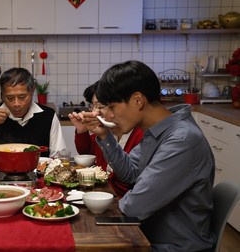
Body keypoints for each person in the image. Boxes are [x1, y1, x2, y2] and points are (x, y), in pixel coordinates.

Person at [80, 60, 215, 251]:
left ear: (137, 100)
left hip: (172, 246)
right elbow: (129, 173)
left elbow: (134, 207)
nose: (108, 116)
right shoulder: (157, 131)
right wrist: (104, 135)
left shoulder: (181, 140)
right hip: (147, 234)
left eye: (111, 107)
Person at [0, 67, 66, 157]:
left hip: (39, 175)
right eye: (10, 98)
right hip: (1, 174)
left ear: (32, 91)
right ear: (2, 95)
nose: (16, 104)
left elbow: (59, 155)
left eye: (22, 97)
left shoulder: (48, 115)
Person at [68, 82, 143, 198]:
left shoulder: (140, 136)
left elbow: (130, 179)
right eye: (92, 106)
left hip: (122, 199)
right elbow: (87, 153)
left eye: (100, 106)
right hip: (103, 194)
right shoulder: (106, 131)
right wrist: (82, 130)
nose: (94, 112)